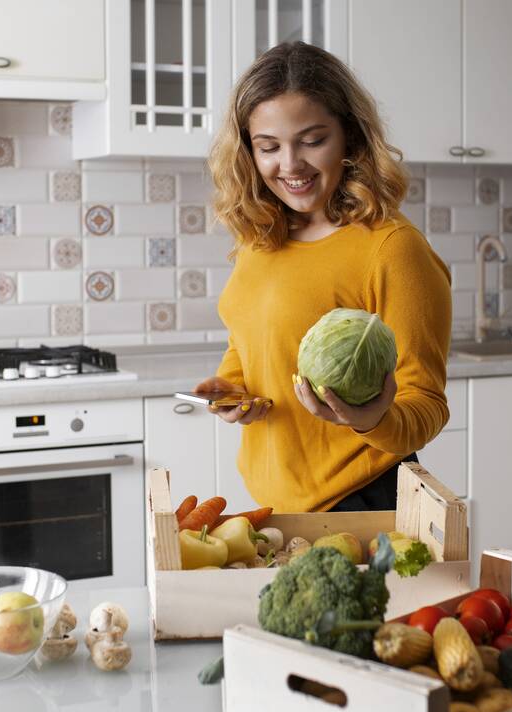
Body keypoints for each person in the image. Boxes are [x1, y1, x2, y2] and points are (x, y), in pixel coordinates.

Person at [196, 41, 452, 513]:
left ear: (350, 137)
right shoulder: (262, 236)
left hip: (364, 504)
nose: (290, 165)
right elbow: (252, 339)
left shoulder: (391, 248)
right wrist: (234, 387)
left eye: (312, 141)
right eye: (268, 146)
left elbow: (427, 406)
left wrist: (372, 418)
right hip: (275, 504)